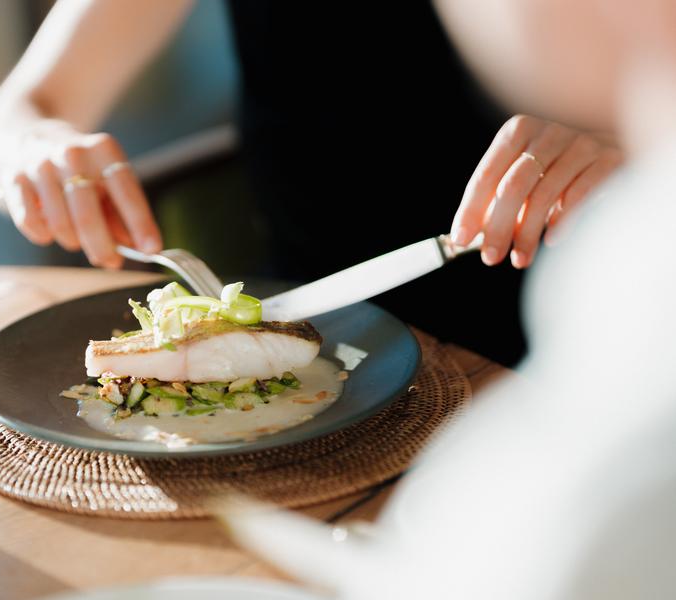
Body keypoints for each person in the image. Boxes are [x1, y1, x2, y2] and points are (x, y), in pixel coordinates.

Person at [224, 1, 676, 597]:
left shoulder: (627, 280)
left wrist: (621, 134)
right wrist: (53, 128)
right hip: (307, 321)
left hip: (510, 335)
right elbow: (53, 98)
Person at [0, 1, 621, 366]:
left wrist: (636, 155)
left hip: (586, 345)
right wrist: (31, 152)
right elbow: (16, 116)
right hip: (322, 353)